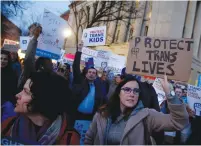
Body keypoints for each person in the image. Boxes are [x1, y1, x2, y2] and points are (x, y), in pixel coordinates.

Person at [84, 75, 189, 145]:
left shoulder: (147, 115)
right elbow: (89, 139)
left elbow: (179, 122)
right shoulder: (102, 114)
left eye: (136, 91)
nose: (132, 94)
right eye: (127, 90)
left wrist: (170, 94)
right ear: (118, 93)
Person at [1, 72, 80, 145]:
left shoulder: (69, 139)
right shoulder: (9, 124)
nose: (17, 95)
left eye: (26, 92)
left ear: (41, 100)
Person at [72, 42, 106, 144]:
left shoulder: (99, 86)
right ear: (86, 74)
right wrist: (79, 51)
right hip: (77, 117)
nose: (91, 74)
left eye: (94, 73)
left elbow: (103, 100)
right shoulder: (80, 82)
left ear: (96, 76)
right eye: (89, 72)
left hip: (90, 120)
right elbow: (75, 68)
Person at [1, 50, 18, 121]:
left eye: (5, 59)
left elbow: (13, 91)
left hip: (5, 104)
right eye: (0, 58)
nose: (2, 61)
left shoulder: (12, 74)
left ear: (8, 61)